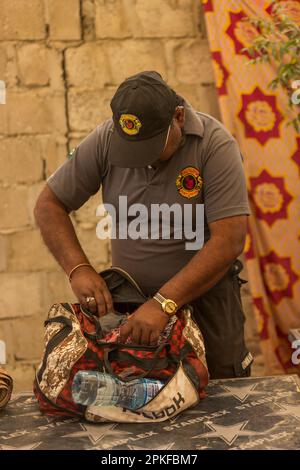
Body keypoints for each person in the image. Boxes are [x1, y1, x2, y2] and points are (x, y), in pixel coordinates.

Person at [34, 70, 253, 379]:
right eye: (132, 151)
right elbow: (49, 205)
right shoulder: (106, 139)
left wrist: (164, 303)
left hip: (206, 302)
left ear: (178, 117)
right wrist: (78, 268)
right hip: (131, 305)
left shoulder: (214, 146)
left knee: (221, 395)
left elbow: (229, 241)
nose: (143, 161)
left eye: (151, 148)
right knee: (133, 399)